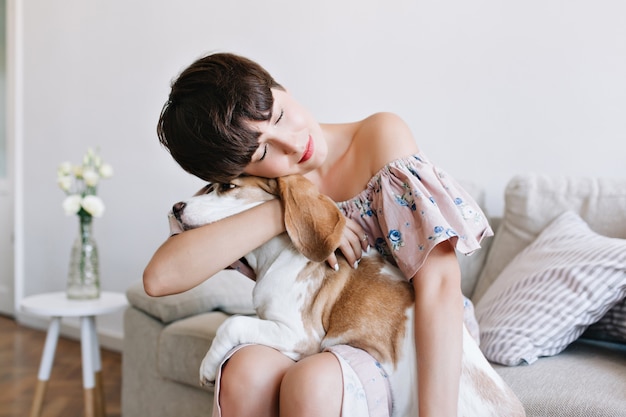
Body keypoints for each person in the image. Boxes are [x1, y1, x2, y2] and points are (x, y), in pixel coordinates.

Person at [144, 52, 492, 417]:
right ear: (237, 170)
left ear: (282, 88)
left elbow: (439, 286)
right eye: (263, 151)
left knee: (313, 382)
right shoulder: (264, 185)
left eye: (278, 116)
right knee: (245, 371)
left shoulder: (379, 137)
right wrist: (296, 213)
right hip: (314, 330)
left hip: (396, 333)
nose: (292, 144)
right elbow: (160, 277)